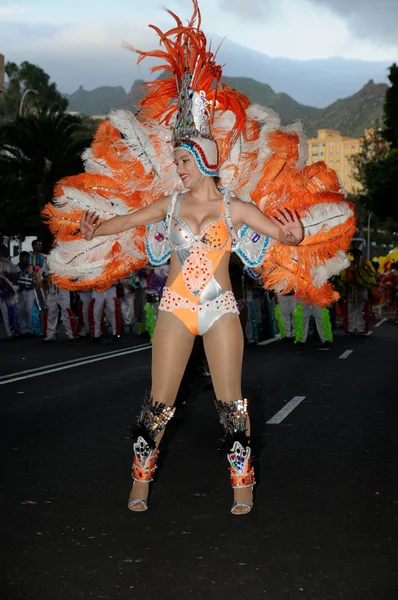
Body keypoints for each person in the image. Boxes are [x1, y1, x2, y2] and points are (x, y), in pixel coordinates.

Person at [43, 1, 355, 515]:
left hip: (221, 311)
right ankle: (141, 481)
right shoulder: (168, 204)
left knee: (231, 403)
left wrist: (296, 237)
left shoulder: (236, 207)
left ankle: (242, 486)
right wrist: (97, 225)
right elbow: (125, 222)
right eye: (177, 161)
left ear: (205, 161)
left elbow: (283, 233)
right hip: (175, 307)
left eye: (184, 161)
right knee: (159, 402)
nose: (178, 168)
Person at [17, 251, 36, 335]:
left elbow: (35, 277)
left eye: (28, 258)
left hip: (30, 290)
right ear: (20, 258)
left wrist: (33, 275)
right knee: (20, 310)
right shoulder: (15, 267)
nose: (27, 259)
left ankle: (30, 328)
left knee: (30, 309)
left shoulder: (31, 267)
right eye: (25, 257)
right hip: (20, 291)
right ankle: (23, 329)